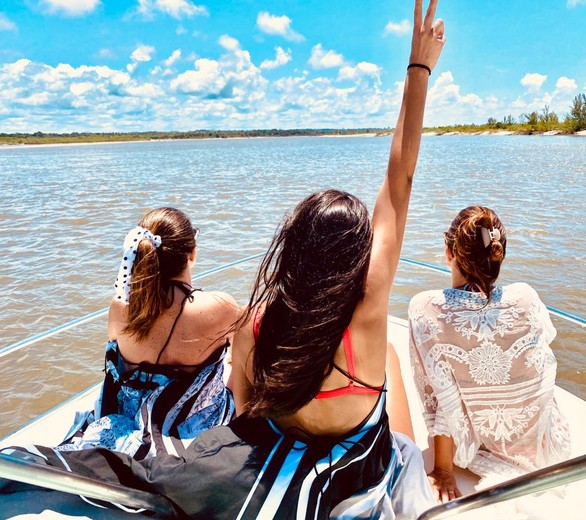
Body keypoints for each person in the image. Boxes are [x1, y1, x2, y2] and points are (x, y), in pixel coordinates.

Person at [0, 2, 445, 517]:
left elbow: (240, 407)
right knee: (407, 450)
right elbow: (399, 181)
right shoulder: (367, 315)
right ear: (355, 259)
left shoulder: (256, 325)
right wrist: (420, 69)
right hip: (352, 475)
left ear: (293, 249)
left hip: (261, 467)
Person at [408, 205, 571, 503]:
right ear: (499, 254)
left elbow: (438, 391)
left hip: (475, 447)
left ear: (449, 252)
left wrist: (442, 470)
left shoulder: (426, 308)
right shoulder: (526, 297)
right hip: (545, 444)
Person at [57, 207, 239, 459]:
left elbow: (115, 360)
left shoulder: (120, 308)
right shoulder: (221, 307)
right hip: (194, 429)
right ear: (192, 253)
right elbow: (242, 360)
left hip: (127, 422)